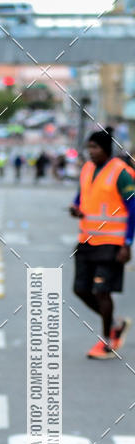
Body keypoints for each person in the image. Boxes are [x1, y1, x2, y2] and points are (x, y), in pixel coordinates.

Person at [69, 127, 135, 359]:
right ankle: (116, 324)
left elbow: (133, 207)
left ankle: (107, 340)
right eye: (89, 147)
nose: (91, 152)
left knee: (101, 291)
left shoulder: (121, 173)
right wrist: (76, 208)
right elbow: (82, 195)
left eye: (94, 147)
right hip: (87, 240)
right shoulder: (87, 169)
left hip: (112, 243)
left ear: (106, 149)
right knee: (80, 289)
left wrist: (127, 243)